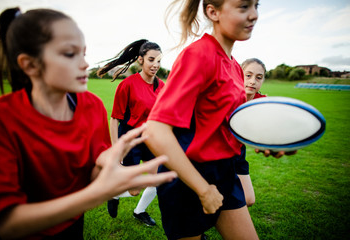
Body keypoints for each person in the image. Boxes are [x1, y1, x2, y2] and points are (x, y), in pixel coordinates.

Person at [0, 8, 176, 239]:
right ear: (29, 65)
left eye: (84, 53)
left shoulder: (92, 106)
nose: (84, 64)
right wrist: (94, 194)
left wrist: (108, 168)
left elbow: (93, 170)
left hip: (74, 228)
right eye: (70, 54)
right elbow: (9, 223)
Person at [143, 1, 295, 239]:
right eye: (243, 6)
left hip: (225, 171)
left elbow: (224, 124)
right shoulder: (198, 55)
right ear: (213, 12)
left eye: (256, 5)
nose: (254, 15)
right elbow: (155, 131)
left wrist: (263, 141)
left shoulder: (234, 65)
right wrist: (202, 189)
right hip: (188, 178)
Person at [97, 40, 164, 226]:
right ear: (141, 60)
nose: (156, 65)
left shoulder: (162, 87)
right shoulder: (127, 85)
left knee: (158, 178)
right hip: (130, 140)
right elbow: (114, 119)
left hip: (151, 139)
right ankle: (113, 193)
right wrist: (116, 148)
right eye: (151, 60)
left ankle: (139, 211)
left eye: (159, 60)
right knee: (134, 190)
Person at [236, 58, 267, 207]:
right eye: (248, 75)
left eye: (258, 77)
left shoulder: (263, 103)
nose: (253, 81)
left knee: (249, 199)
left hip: (238, 153)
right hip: (217, 154)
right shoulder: (229, 98)